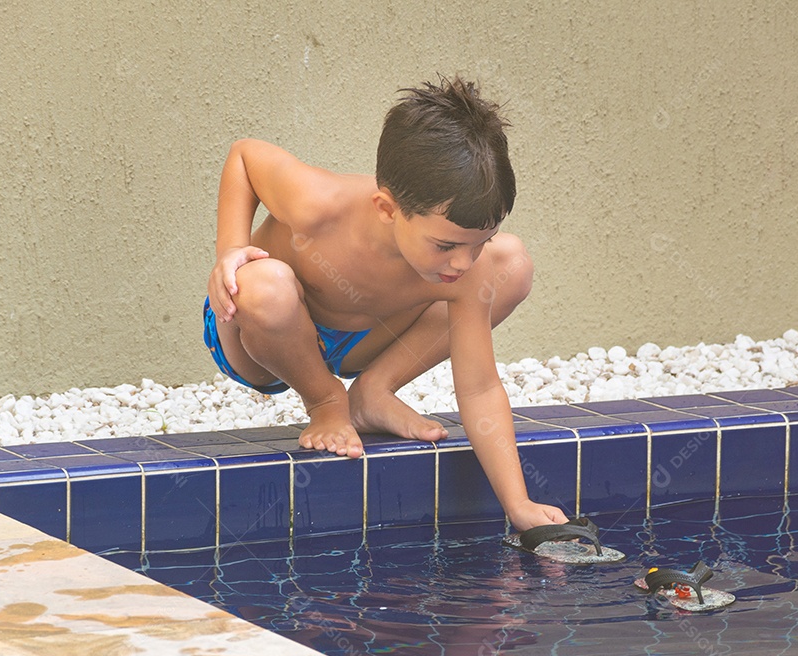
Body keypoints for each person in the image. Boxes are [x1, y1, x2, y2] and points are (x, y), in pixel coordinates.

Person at [204, 76, 568, 532]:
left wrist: (519, 505)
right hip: (258, 334)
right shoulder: (318, 205)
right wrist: (231, 252)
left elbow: (478, 388)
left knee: (509, 265)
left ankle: (373, 391)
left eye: (480, 242)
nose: (464, 261)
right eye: (445, 245)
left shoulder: (466, 266)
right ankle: (325, 400)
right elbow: (244, 155)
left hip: (364, 339)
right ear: (386, 208)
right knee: (265, 286)